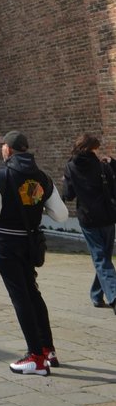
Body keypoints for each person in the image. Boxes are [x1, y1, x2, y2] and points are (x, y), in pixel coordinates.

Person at [0, 129, 68, 374]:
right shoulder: (42, 177)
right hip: (30, 243)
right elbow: (61, 214)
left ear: (8, 150)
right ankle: (48, 350)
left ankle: (35, 357)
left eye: (2, 146)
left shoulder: (2, 175)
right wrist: (34, 206)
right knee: (33, 294)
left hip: (6, 244)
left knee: (20, 297)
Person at [62, 131, 116, 309]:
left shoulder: (70, 167)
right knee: (103, 257)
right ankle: (114, 296)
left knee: (102, 259)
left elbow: (68, 195)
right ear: (93, 148)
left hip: (87, 218)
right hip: (107, 217)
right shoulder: (102, 166)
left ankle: (96, 294)